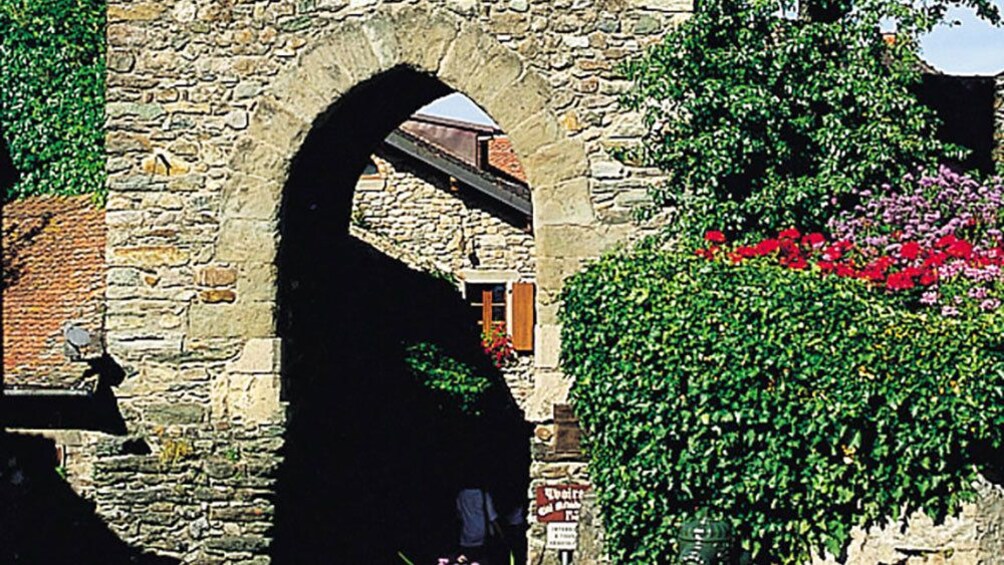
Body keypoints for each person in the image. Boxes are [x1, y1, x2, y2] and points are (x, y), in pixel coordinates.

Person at [455, 486, 502, 564]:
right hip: (482, 534)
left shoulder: (461, 495)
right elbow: (492, 516)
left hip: (466, 535)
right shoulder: (483, 494)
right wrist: (501, 533)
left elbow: (459, 515)